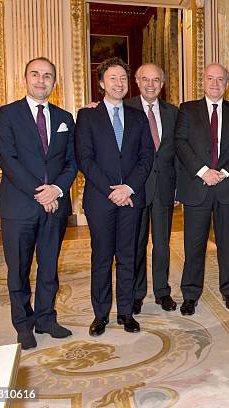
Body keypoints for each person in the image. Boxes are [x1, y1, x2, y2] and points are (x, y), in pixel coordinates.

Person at [0, 57, 77, 350]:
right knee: (18, 269)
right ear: (25, 78)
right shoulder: (5, 114)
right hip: (18, 207)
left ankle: (46, 318)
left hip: (55, 206)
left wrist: (56, 189)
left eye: (48, 76)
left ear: (55, 82)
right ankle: (23, 324)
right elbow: (8, 159)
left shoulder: (66, 117)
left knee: (49, 267)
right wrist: (40, 193)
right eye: (35, 74)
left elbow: (72, 161)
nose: (41, 80)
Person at [75, 57, 154, 336]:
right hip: (100, 199)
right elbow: (85, 158)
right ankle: (100, 314)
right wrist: (113, 190)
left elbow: (147, 156)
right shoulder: (87, 115)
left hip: (132, 198)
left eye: (123, 78)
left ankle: (126, 312)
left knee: (128, 255)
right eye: (112, 78)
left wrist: (128, 188)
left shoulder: (137, 115)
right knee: (102, 256)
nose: (119, 83)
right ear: (101, 84)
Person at [174, 63, 229, 316]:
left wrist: (224, 172)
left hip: (227, 187)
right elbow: (181, 143)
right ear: (203, 81)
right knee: (193, 245)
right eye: (210, 78)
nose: (215, 83)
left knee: (227, 244)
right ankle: (190, 294)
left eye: (220, 79)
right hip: (198, 187)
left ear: (227, 83)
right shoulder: (187, 110)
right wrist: (203, 171)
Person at [126, 64, 179, 315]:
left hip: (164, 188)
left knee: (162, 244)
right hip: (135, 188)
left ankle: (162, 291)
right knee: (136, 243)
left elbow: (178, 153)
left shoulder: (173, 113)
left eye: (156, 80)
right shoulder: (125, 110)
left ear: (162, 83)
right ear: (136, 81)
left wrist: (178, 188)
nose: (150, 84)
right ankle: (136, 294)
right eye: (145, 79)